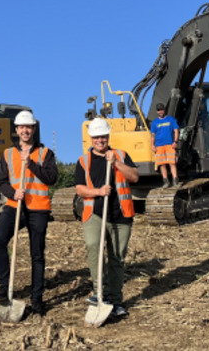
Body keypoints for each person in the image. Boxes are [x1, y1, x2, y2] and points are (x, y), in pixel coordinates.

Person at [0, 110, 58, 317]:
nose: (25, 131)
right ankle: (5, 287)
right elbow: (2, 182)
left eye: (28, 127)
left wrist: (30, 164)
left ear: (34, 129)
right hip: (15, 206)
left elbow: (51, 178)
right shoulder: (7, 154)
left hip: (38, 208)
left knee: (37, 254)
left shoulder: (45, 153)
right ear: (17, 130)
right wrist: (14, 193)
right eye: (21, 127)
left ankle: (37, 298)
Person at [75, 117, 139, 318]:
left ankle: (116, 300)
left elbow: (134, 177)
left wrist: (116, 163)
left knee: (116, 259)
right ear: (91, 139)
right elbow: (79, 188)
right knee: (93, 247)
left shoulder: (121, 155)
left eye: (103, 136)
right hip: (94, 214)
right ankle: (98, 291)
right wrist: (98, 191)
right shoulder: (83, 161)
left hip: (121, 215)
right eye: (96, 137)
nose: (100, 140)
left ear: (108, 136)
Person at [150, 103, 180, 188]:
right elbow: (152, 135)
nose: (160, 112)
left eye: (161, 110)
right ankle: (166, 181)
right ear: (157, 111)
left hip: (170, 145)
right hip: (159, 146)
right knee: (162, 164)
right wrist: (152, 145)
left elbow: (176, 131)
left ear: (164, 110)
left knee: (172, 163)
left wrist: (175, 141)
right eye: (159, 110)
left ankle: (175, 180)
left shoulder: (171, 120)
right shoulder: (154, 122)